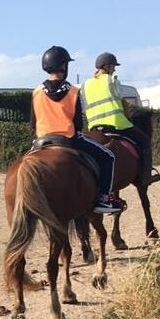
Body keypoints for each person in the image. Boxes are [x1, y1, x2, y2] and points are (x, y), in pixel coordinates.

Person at [30, 46, 125, 213]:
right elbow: (79, 123)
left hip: (41, 141)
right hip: (69, 138)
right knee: (108, 156)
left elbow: (33, 122)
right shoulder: (73, 90)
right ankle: (104, 199)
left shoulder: (36, 91)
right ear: (64, 66)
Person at [82, 52, 159, 186]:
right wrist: (128, 118)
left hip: (95, 128)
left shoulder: (85, 85)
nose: (114, 69)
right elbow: (123, 103)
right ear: (106, 66)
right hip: (117, 124)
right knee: (145, 142)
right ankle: (146, 176)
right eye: (113, 66)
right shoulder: (112, 81)